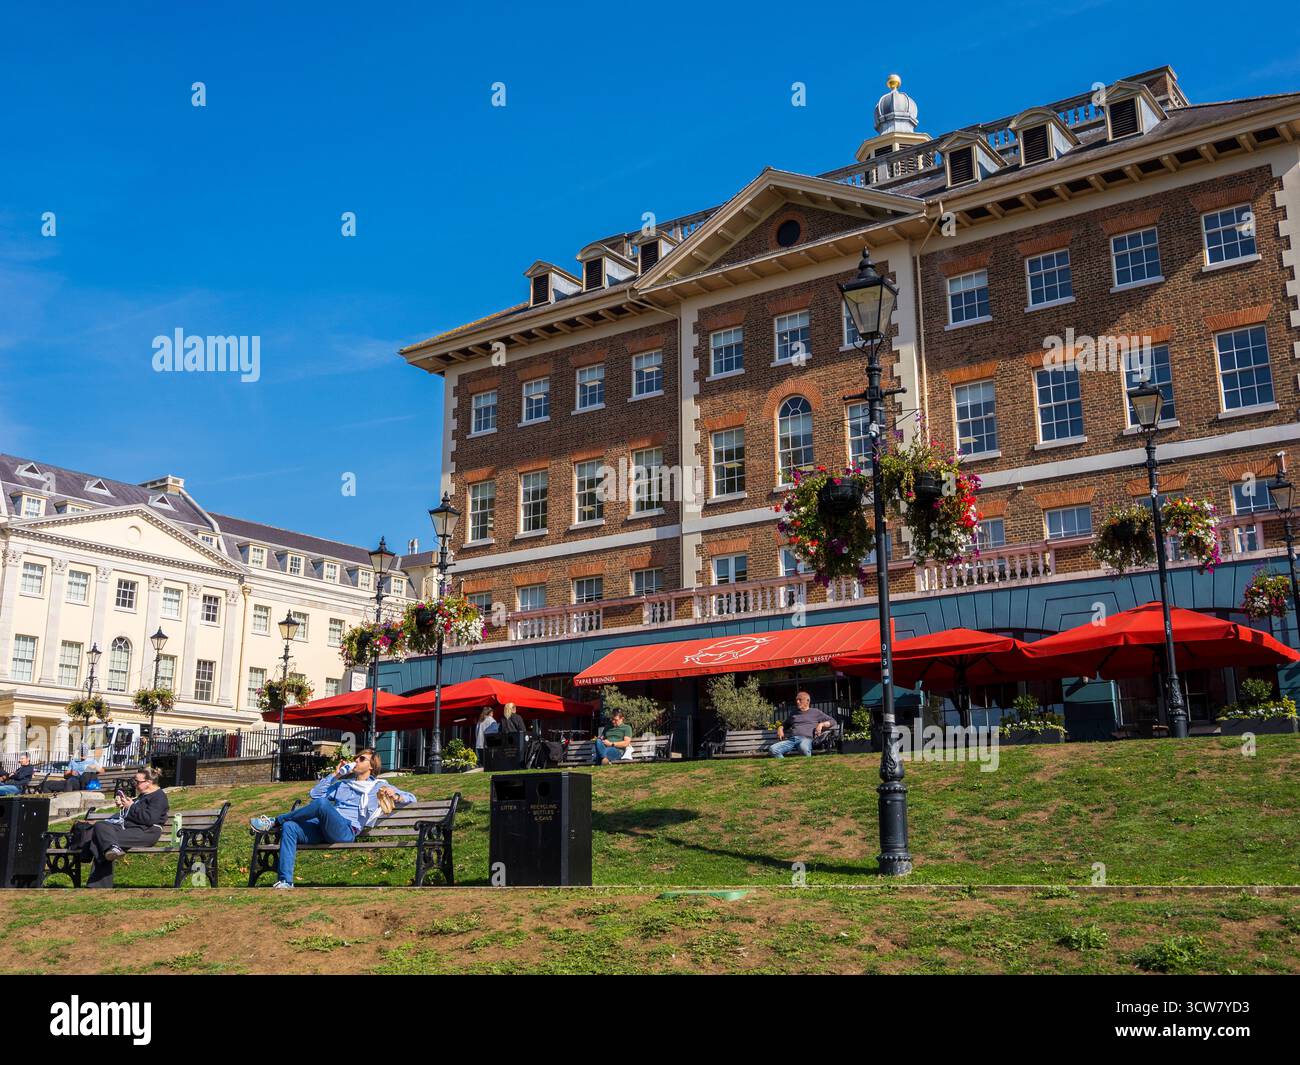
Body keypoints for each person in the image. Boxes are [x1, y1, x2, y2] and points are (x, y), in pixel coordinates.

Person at [248, 749, 415, 889]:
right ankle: (285, 881)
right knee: (290, 826)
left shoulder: (379, 786)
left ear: (372, 766)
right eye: (356, 757)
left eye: (362, 758)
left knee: (321, 805)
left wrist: (397, 796)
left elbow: (411, 798)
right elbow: (314, 794)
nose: (356, 760)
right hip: (323, 829)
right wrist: (335, 774)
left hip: (346, 831)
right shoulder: (343, 785)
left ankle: (275, 821)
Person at [83, 766, 169, 888]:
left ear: (148, 783)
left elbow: (150, 819)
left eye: (137, 781)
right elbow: (134, 814)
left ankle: (97, 885)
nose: (134, 784)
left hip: (147, 833)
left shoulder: (159, 797)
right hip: (132, 829)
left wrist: (131, 806)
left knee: (102, 840)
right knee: (100, 826)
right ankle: (113, 849)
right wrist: (124, 805)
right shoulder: (143, 796)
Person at [769, 691, 837, 758]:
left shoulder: (815, 712)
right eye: (797, 700)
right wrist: (780, 728)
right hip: (792, 740)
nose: (797, 702)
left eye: (800, 700)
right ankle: (787, 766)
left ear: (807, 701)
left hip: (806, 739)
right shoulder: (793, 714)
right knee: (773, 749)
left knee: (803, 748)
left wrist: (821, 724)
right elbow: (785, 724)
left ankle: (807, 767)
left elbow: (833, 721)